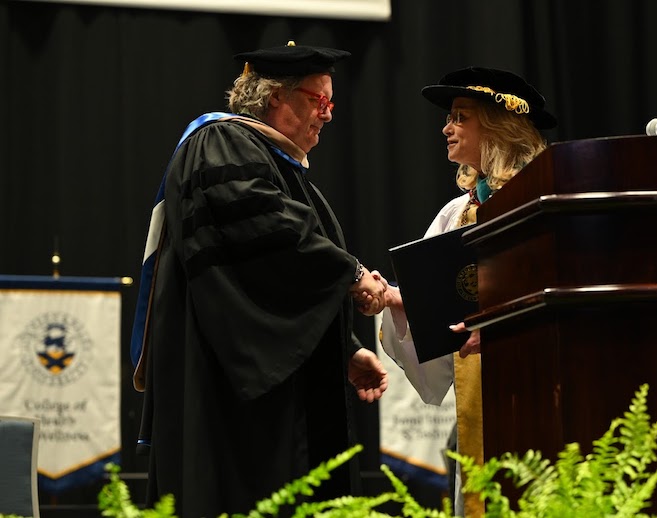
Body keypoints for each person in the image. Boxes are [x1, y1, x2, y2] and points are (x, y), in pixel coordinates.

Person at [128, 41, 389, 518]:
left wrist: (343, 346)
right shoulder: (221, 144)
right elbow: (268, 233)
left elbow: (276, 278)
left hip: (261, 382)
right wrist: (352, 274)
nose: (329, 115)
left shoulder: (269, 158)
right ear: (276, 97)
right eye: (320, 101)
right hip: (228, 385)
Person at [375, 66, 556, 517]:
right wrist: (401, 301)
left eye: (460, 116)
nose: (446, 127)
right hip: (478, 405)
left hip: (542, 397)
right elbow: (436, 308)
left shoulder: (546, 203)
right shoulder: (457, 214)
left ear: (498, 125)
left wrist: (504, 330)